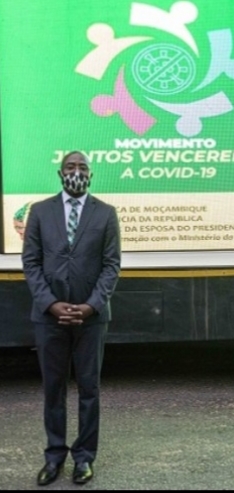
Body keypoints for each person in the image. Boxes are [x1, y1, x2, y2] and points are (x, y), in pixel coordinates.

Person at [21, 151, 121, 486]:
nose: (76, 172)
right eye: (70, 167)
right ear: (59, 173)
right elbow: (31, 263)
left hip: (91, 319)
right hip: (49, 318)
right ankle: (54, 457)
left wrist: (91, 305)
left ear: (90, 175)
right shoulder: (40, 211)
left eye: (82, 168)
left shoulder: (106, 214)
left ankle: (84, 459)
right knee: (53, 390)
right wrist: (51, 304)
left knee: (89, 390)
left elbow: (111, 266)